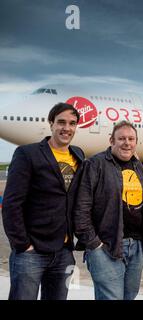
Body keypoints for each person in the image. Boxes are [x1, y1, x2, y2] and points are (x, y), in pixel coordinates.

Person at [2, 103, 84, 300]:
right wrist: (23, 244)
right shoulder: (27, 153)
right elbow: (12, 203)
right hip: (32, 251)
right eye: (61, 122)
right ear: (51, 123)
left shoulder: (78, 155)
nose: (67, 128)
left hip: (64, 252)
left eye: (72, 123)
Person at [73, 120, 143, 300]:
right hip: (107, 246)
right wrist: (94, 245)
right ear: (111, 140)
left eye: (131, 139)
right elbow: (81, 208)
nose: (127, 143)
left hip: (136, 247)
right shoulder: (95, 164)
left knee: (129, 297)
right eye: (121, 138)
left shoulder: (137, 165)